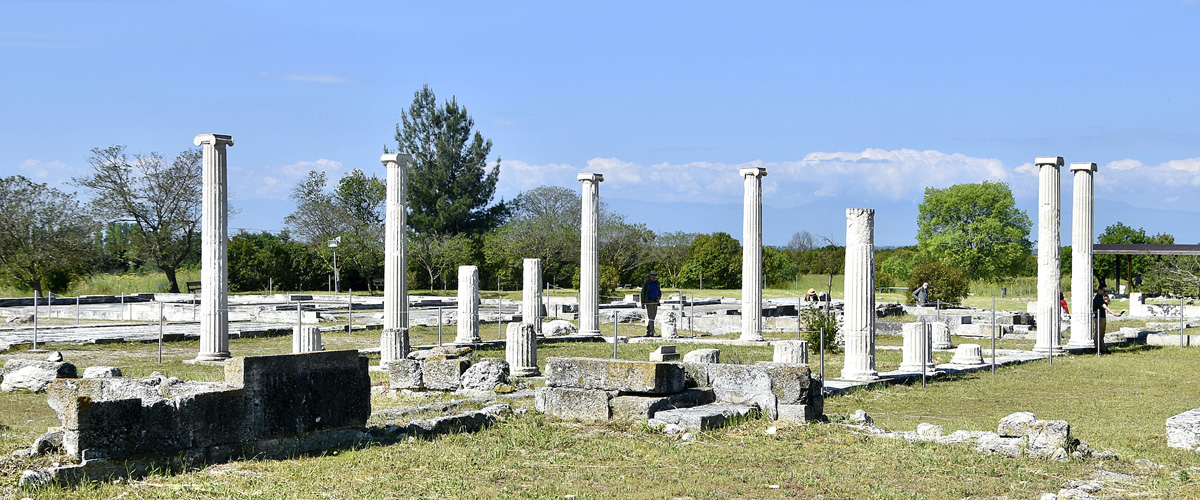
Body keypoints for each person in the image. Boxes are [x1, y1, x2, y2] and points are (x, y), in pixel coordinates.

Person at [1092, 288, 1122, 354]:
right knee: (1098, 334)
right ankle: (1098, 349)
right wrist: (1114, 313)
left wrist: (1106, 301)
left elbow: (1105, 304)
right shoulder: (1098, 298)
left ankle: (1103, 349)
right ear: (1099, 290)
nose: (1105, 293)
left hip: (1102, 316)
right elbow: (1104, 306)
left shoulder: (1101, 298)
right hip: (1098, 317)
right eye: (1104, 291)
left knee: (1102, 334)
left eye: (1106, 291)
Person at [640, 270, 661, 337]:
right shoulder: (647, 283)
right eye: (653, 277)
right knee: (651, 317)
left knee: (653, 317)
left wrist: (659, 297)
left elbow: (659, 291)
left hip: (655, 302)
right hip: (649, 302)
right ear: (650, 276)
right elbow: (643, 293)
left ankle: (648, 331)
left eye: (655, 277)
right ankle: (652, 332)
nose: (654, 278)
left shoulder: (657, 283)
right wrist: (643, 303)